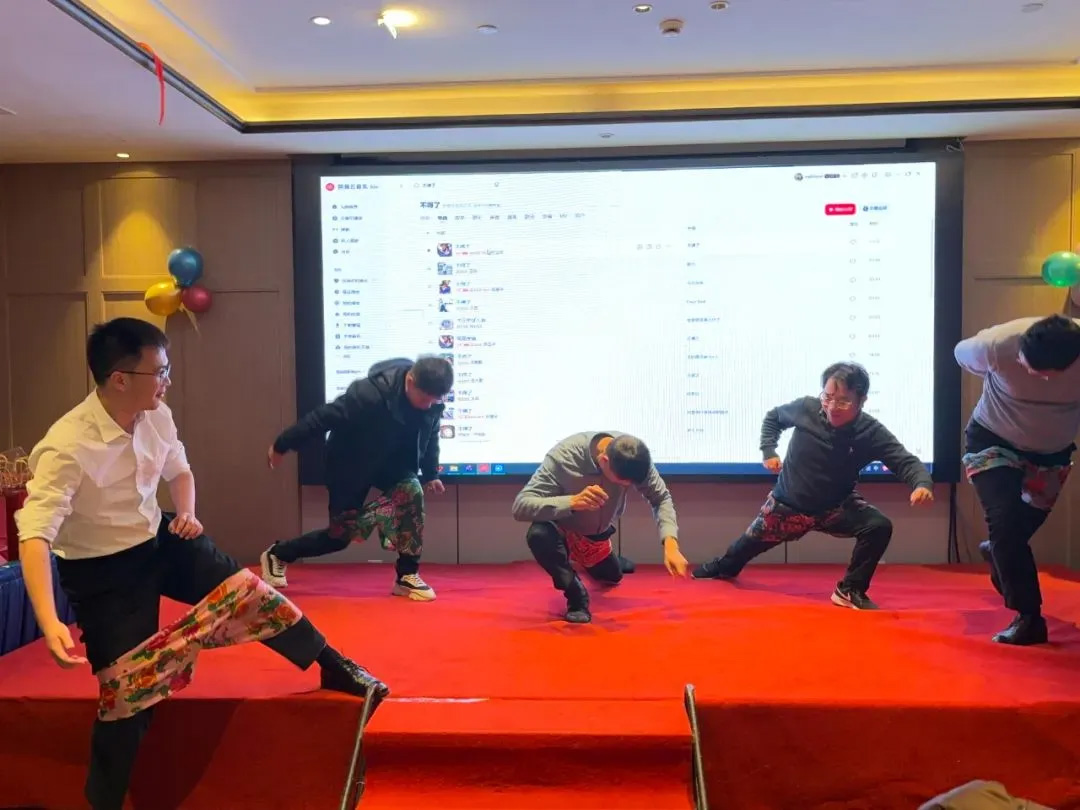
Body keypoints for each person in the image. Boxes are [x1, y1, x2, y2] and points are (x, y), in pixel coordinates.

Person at [14, 318, 387, 810]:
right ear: (120, 379)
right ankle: (104, 802)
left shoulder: (156, 415)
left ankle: (333, 666)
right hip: (102, 571)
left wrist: (187, 513)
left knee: (252, 594)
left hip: (160, 539)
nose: (167, 382)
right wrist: (48, 620)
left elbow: (180, 470)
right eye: (160, 372)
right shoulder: (66, 445)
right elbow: (35, 534)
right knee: (128, 695)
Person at [693, 362, 934, 609]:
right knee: (741, 551)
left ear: (862, 401)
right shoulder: (807, 408)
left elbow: (904, 461)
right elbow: (774, 418)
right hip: (787, 506)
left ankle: (850, 589)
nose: (832, 407)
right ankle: (724, 567)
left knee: (879, 526)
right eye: (827, 397)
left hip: (835, 508)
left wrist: (921, 484)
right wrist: (768, 450)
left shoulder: (870, 432)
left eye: (843, 401)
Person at [261, 356, 453, 601]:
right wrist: (282, 445)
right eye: (425, 399)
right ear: (410, 381)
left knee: (412, 491)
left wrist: (431, 474)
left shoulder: (431, 403)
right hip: (350, 464)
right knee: (340, 536)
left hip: (392, 464)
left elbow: (431, 435)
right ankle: (279, 553)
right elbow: (322, 418)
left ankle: (407, 576)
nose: (429, 405)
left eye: (435, 400)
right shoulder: (368, 395)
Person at [954, 315, 1080, 645]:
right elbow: (959, 354)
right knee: (1004, 521)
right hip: (994, 439)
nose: (1038, 377)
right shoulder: (996, 345)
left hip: (1052, 452)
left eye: (1049, 373)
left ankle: (998, 551)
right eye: (1029, 366)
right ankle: (1029, 616)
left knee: (1017, 530)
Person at [511, 432, 688, 623]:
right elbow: (520, 506)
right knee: (539, 535)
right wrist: (572, 502)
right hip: (560, 528)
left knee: (612, 576)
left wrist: (671, 544)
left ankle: (604, 558)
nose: (627, 486)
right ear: (604, 460)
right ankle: (575, 595)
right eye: (622, 482)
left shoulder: (634, 455)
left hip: (595, 537)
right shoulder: (563, 458)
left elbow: (661, 498)